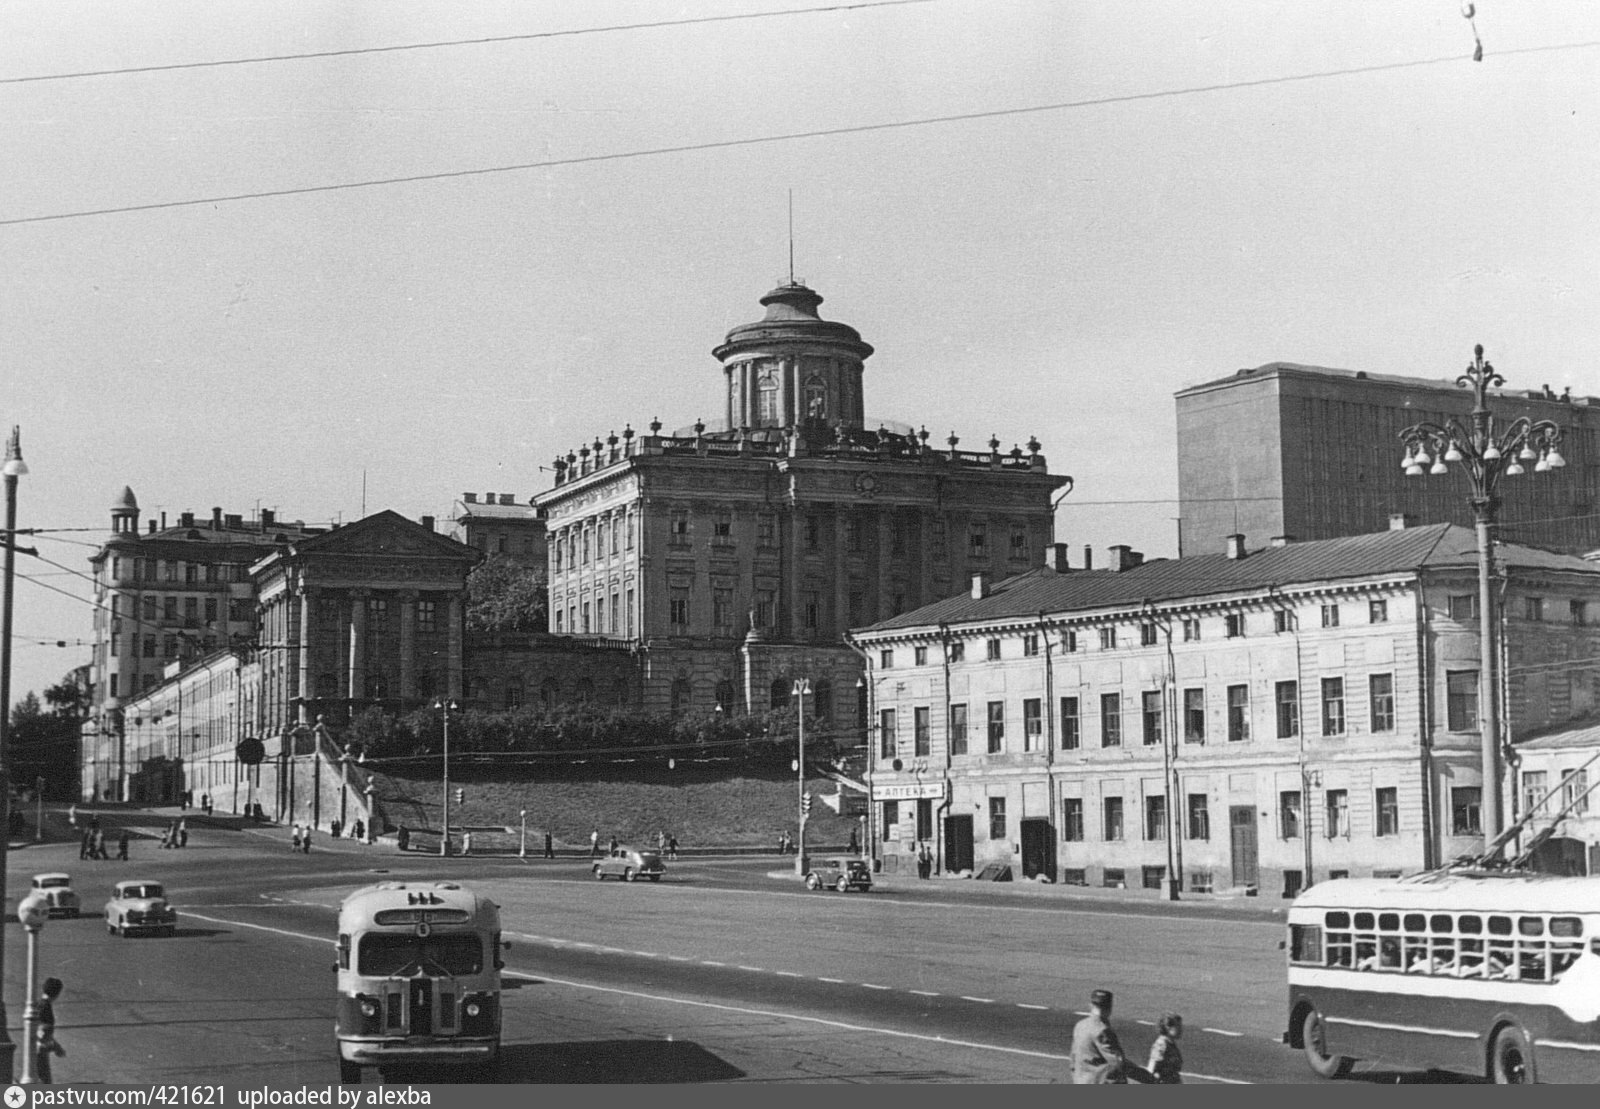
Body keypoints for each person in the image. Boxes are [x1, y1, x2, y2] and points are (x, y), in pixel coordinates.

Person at [1071, 989, 1152, 1084]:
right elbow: (1118, 1063)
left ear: (1090, 1005)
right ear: (1109, 1008)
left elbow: (1073, 1058)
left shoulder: (1080, 1025)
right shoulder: (1102, 1030)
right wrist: (1145, 1076)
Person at [36, 977, 65, 1084]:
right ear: (56, 993)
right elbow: (43, 1032)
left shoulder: (40, 1004)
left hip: (36, 1049)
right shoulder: (45, 1006)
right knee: (45, 1083)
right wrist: (55, 1046)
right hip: (40, 1050)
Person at [1147, 1013, 1184, 1084]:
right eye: (1178, 1026)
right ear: (1168, 1027)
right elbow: (1151, 1070)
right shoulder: (1161, 1045)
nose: (1181, 1030)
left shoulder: (1170, 1044)